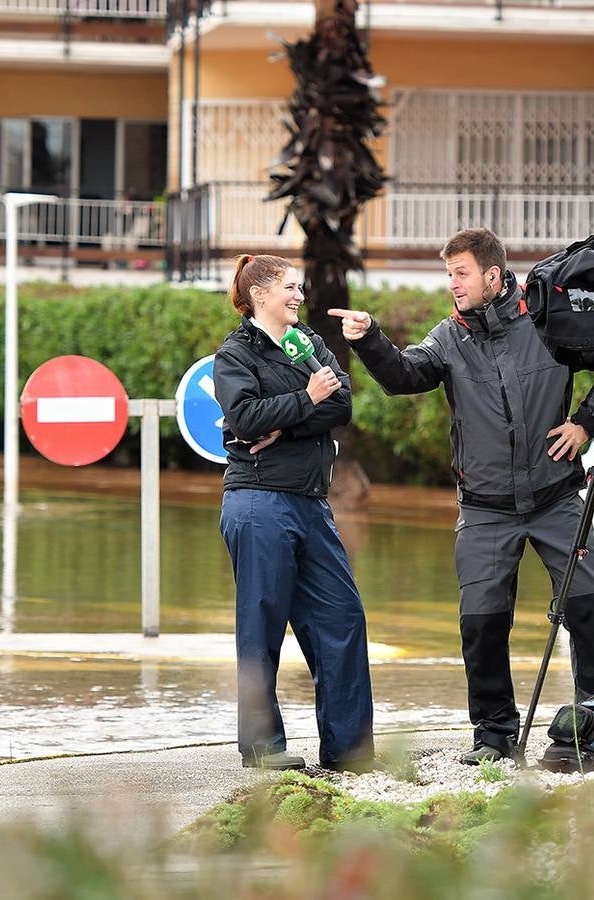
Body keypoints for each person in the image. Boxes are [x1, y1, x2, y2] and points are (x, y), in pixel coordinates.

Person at [330, 228, 594, 765]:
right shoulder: (448, 336)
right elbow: (404, 375)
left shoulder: (548, 320)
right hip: (486, 510)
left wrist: (585, 423)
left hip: (558, 498)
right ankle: (494, 737)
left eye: (460, 273)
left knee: (588, 608)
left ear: (492, 275)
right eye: (448, 275)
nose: (452, 285)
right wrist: (368, 339)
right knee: (482, 626)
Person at [213, 254, 375, 772]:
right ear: (260, 294)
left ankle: (349, 752)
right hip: (257, 501)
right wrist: (305, 399)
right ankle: (262, 749)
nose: (299, 296)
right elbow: (241, 417)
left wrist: (287, 417)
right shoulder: (235, 354)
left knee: (343, 619)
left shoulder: (309, 344)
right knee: (261, 626)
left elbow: (342, 405)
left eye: (299, 286)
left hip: (311, 501)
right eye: (290, 287)